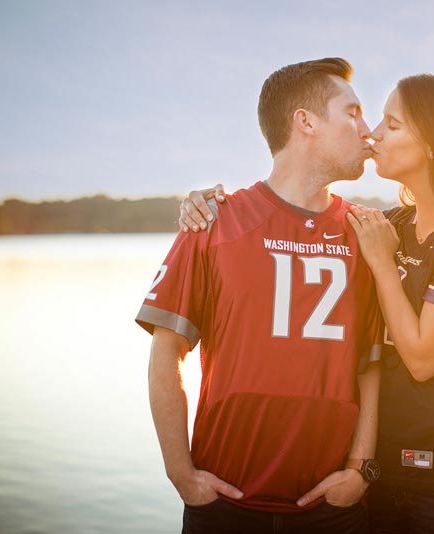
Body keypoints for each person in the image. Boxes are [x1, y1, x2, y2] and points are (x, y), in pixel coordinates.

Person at [181, 74, 434, 534]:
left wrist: (383, 266)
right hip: (380, 479)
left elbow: (423, 359)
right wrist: (207, 205)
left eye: (392, 124)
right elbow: (298, 208)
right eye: (372, 120)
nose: (373, 134)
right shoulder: (392, 225)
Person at [137, 57, 383, 534]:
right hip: (225, 504)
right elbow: (166, 352)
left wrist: (359, 470)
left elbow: (370, 363)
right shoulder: (215, 222)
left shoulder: (365, 232)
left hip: (332, 510)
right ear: (305, 121)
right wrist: (181, 473)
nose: (367, 130)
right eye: (352, 113)